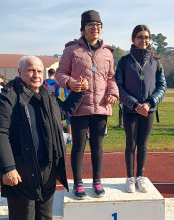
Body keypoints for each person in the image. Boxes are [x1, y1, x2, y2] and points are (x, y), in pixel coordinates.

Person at [0, 56, 86, 220]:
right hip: (22, 172)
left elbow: (63, 112)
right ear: (20, 72)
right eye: (31, 70)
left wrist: (79, 92)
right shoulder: (9, 97)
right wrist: (7, 168)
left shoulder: (46, 94)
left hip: (48, 171)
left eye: (39, 71)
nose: (36, 75)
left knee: (45, 217)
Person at [56, 10, 119, 200]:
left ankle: (97, 181)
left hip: (100, 107)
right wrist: (69, 82)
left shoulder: (107, 52)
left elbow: (111, 78)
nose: (95, 28)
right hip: (79, 106)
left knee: (98, 146)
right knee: (78, 147)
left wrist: (113, 93)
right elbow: (60, 73)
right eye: (91, 25)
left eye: (98, 25)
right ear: (83, 29)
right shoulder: (71, 50)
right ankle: (78, 183)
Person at [115, 25, 166, 193]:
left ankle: (140, 176)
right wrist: (135, 104)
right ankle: (130, 177)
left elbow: (162, 86)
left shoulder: (156, 62)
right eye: (140, 37)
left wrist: (150, 103)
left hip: (148, 110)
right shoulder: (124, 61)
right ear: (133, 39)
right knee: (131, 144)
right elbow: (119, 87)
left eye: (146, 37)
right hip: (131, 110)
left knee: (143, 145)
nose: (143, 40)